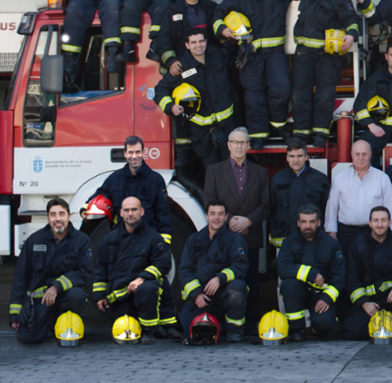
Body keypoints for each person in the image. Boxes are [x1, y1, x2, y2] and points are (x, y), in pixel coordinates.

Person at [215, 0, 295, 149]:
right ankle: (258, 134)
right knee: (253, 95)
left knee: (282, 89)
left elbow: (301, 0)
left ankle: (278, 125)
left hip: (275, 53)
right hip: (249, 54)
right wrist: (223, 30)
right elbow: (219, 13)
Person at [202, 127, 268, 324]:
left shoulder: (261, 172)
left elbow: (265, 205)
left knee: (251, 282)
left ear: (248, 146)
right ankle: (225, 322)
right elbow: (209, 201)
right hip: (225, 237)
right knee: (226, 281)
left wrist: (248, 221)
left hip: (251, 235)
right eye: (235, 142)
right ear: (228, 145)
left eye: (243, 142)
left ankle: (251, 323)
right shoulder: (214, 171)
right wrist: (229, 220)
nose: (239, 146)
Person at [292, 0, 360, 147]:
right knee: (299, 95)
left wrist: (351, 35)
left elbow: (351, 19)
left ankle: (321, 133)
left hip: (328, 56)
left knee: (325, 95)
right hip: (304, 53)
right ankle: (301, 133)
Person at [8, 198, 93, 344]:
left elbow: (85, 271)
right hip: (41, 300)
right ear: (48, 217)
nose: (57, 219)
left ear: (68, 216)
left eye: (61, 214)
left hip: (66, 295)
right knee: (28, 338)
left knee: (77, 295)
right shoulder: (34, 241)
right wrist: (15, 315)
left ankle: (63, 324)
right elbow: (20, 277)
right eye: (53, 214)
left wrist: (56, 286)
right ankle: (49, 322)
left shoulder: (81, 240)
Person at [93, 197, 173, 342]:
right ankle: (152, 328)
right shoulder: (109, 239)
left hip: (142, 293)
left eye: (134, 209)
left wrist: (141, 278)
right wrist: (100, 296)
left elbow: (163, 262)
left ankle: (150, 331)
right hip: (119, 297)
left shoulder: (153, 238)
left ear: (142, 212)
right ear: (121, 213)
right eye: (127, 210)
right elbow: (101, 268)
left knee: (148, 288)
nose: (130, 213)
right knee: (125, 329)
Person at [153, 28, 236, 166]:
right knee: (211, 169)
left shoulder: (216, 54)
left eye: (201, 41)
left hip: (227, 123)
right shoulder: (181, 65)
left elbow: (231, 58)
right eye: (193, 42)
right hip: (202, 129)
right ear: (187, 45)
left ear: (206, 41)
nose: (198, 45)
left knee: (233, 165)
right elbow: (160, 89)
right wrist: (170, 106)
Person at [343, 206, 392, 340]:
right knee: (353, 332)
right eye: (376, 220)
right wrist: (364, 303)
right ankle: (378, 325)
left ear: (390, 222)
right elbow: (352, 279)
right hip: (369, 301)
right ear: (369, 223)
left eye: (383, 220)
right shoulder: (357, 245)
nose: (379, 224)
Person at [177, 200, 250, 343]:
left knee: (237, 288)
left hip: (224, 291)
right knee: (186, 327)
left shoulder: (235, 239)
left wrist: (220, 278)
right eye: (212, 214)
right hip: (202, 296)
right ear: (206, 216)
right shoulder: (194, 240)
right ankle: (217, 326)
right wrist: (196, 293)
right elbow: (185, 270)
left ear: (226, 217)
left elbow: (240, 265)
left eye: (220, 214)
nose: (216, 218)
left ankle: (234, 331)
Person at [276, 204, 345, 340]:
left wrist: (327, 298)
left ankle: (318, 325)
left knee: (324, 325)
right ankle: (297, 329)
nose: (308, 226)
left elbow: (340, 277)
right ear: (298, 223)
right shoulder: (288, 243)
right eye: (304, 222)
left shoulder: (332, 244)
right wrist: (311, 274)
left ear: (318, 223)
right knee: (288, 284)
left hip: (321, 295)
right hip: (299, 292)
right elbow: (283, 269)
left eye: (312, 222)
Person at [90, 136, 172, 243]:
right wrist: (84, 209)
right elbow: (99, 196)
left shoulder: (155, 180)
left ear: (143, 152)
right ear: (125, 154)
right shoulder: (115, 178)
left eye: (138, 152)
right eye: (130, 152)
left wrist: (163, 246)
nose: (134, 156)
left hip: (147, 242)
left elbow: (163, 214)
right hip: (121, 241)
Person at [325, 140, 392, 251]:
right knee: (348, 267)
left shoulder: (382, 178)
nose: (360, 158)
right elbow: (332, 207)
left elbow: (390, 207)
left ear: (370, 155)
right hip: (346, 234)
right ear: (351, 155)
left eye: (364, 154)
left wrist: (390, 232)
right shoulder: (340, 178)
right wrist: (332, 233)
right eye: (357, 154)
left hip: (374, 233)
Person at [152, 0, 219, 78]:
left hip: (209, 65)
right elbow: (164, 40)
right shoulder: (172, 11)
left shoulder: (212, 8)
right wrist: (171, 61)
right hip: (183, 66)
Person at [267, 140, 331, 248]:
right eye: (292, 156)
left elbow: (326, 208)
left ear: (306, 156)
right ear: (287, 158)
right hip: (284, 238)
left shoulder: (320, 179)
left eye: (299, 156)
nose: (296, 160)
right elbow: (271, 208)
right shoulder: (277, 180)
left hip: (312, 239)